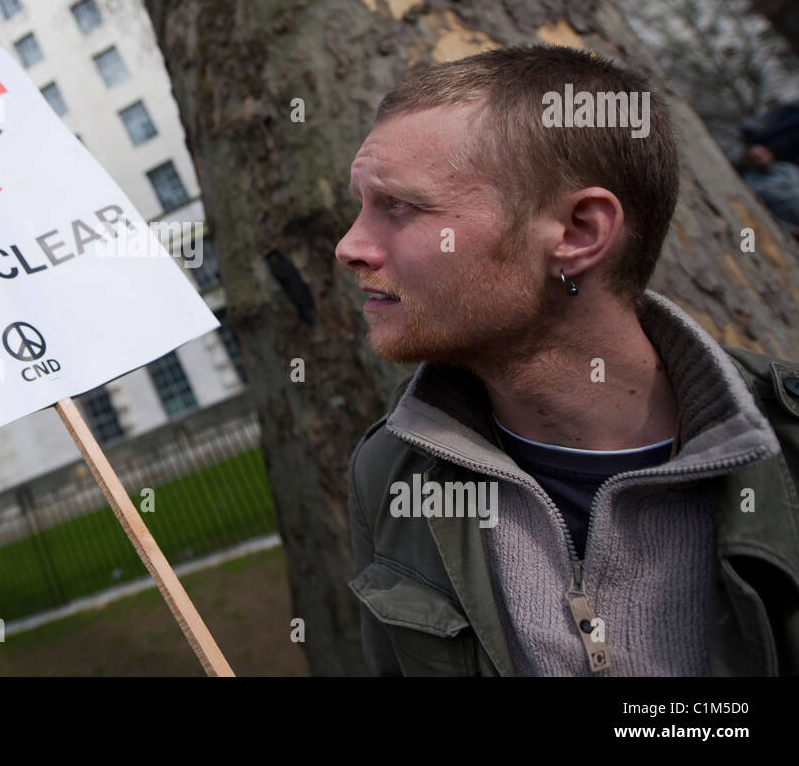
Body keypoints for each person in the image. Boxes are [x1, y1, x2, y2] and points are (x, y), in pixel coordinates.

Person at [335, 45, 799, 676]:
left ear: (579, 232)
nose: (350, 247)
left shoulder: (785, 448)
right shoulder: (389, 474)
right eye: (361, 206)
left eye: (400, 207)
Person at [740, 143, 799, 240]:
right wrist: (790, 230)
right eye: (756, 159)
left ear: (769, 154)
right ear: (749, 163)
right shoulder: (751, 185)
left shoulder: (788, 168)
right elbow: (762, 213)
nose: (762, 160)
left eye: (763, 155)